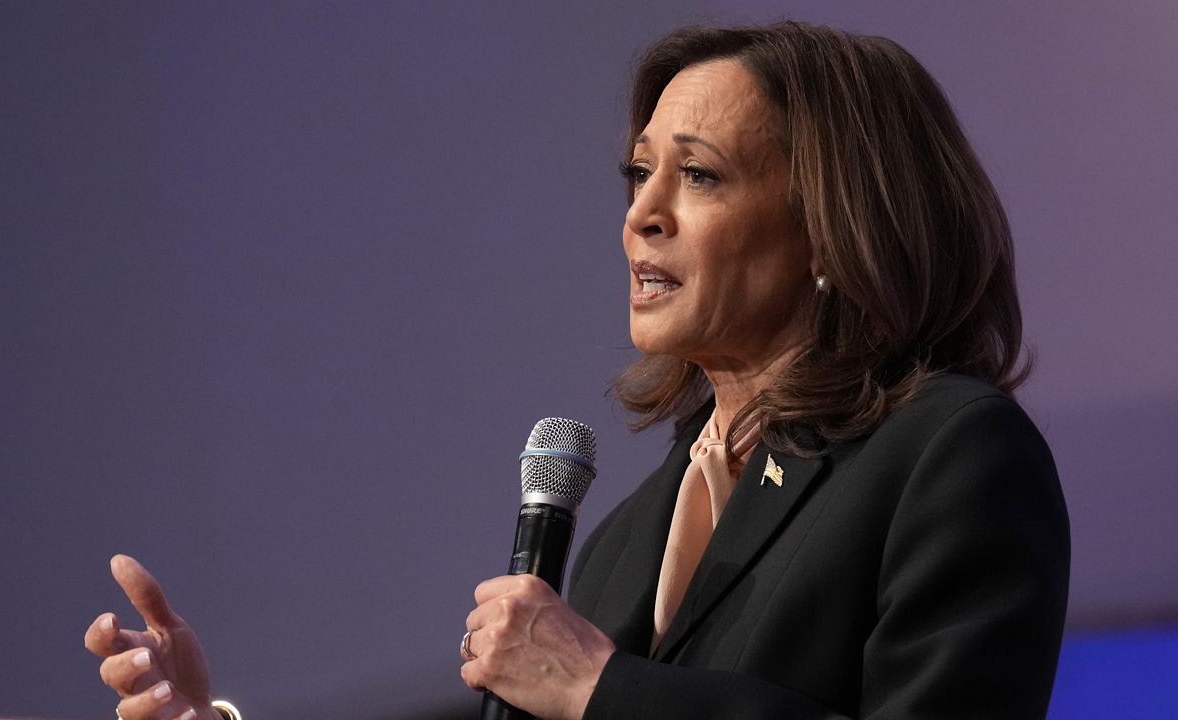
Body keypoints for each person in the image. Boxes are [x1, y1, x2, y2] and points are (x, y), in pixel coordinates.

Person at [86, 21, 1069, 720]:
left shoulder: (946, 454)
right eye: (638, 173)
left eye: (700, 174)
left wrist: (604, 690)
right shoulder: (621, 543)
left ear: (833, 226)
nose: (642, 212)